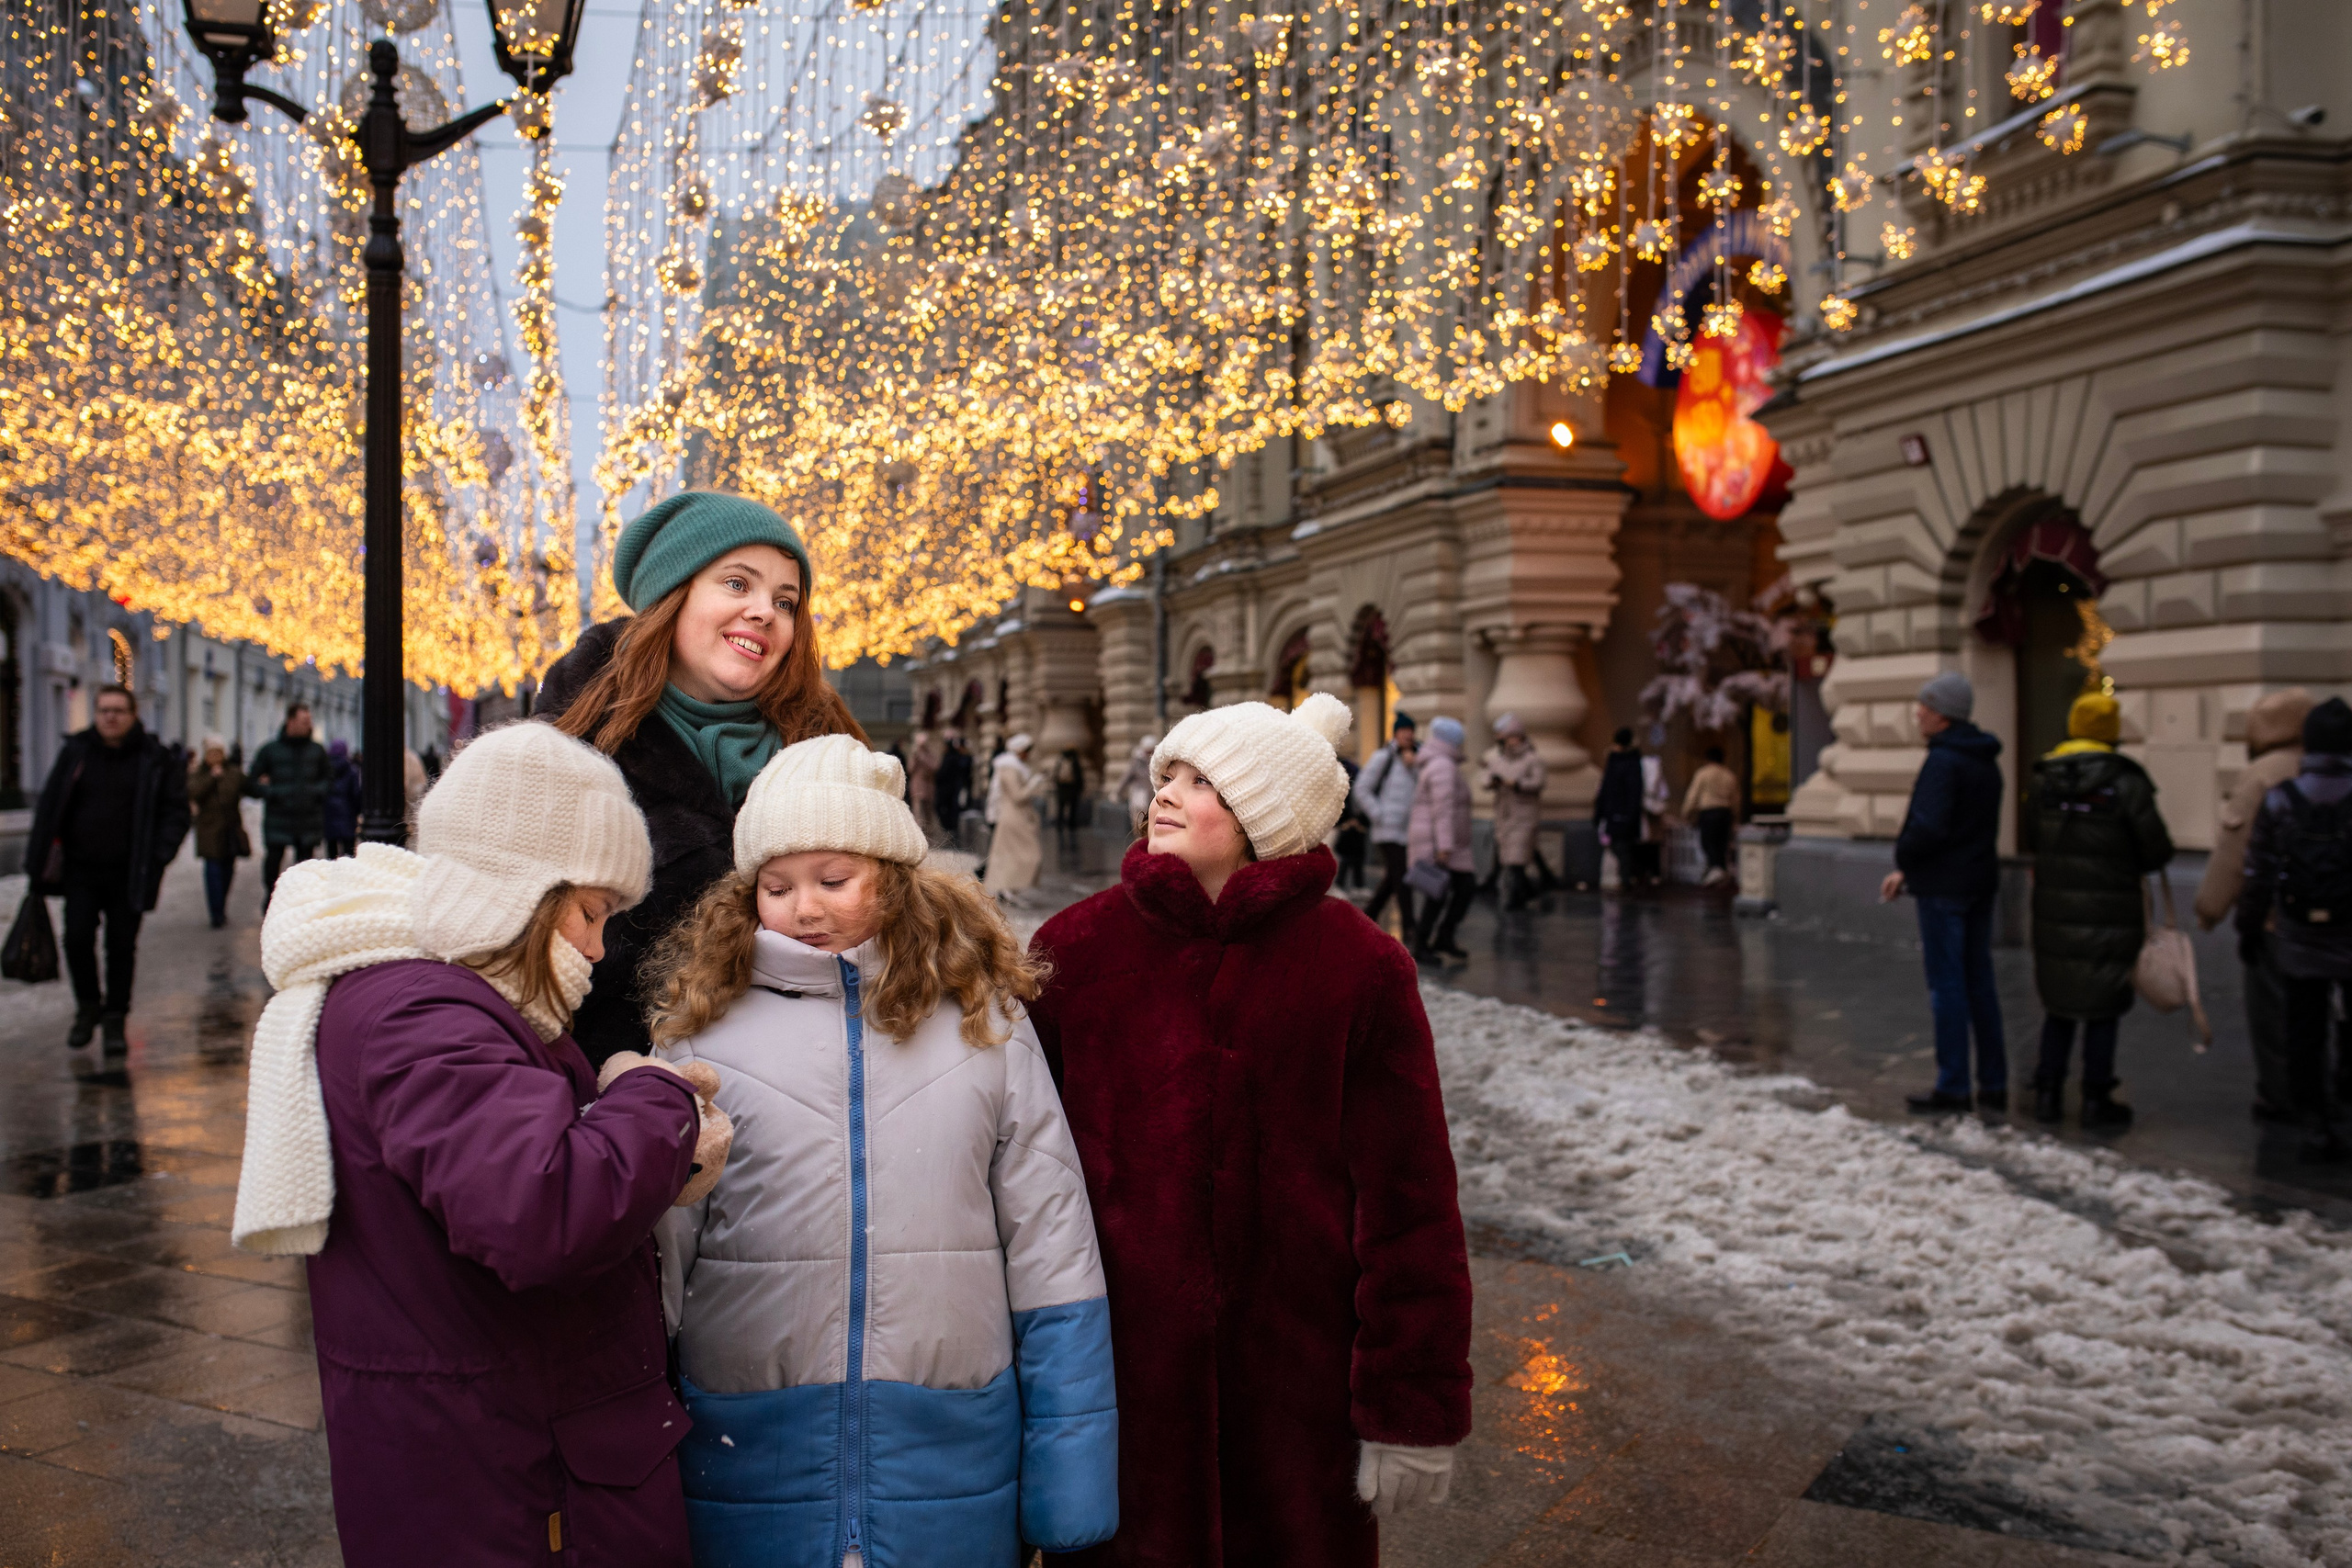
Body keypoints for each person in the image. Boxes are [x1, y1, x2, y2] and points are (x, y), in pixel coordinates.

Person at [228, 721, 734, 1568]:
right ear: (523, 887)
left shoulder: (442, 994)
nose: (597, 946)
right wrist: (655, 1097)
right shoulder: (425, 1011)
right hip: (521, 1484)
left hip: (503, 1456)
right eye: (590, 912)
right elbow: (543, 1209)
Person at [644, 737, 1118, 1564]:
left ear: (893, 879)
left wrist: (1070, 1479)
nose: (805, 907)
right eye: (776, 886)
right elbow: (659, 1260)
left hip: (951, 1451)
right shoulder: (700, 1036)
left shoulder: (983, 1024)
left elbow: (1054, 1250)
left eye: (834, 880)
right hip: (749, 1452)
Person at [1028, 693, 1473, 1565]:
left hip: (1299, 1391)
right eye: (1168, 774)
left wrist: (1410, 1401)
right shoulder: (1074, 950)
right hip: (1118, 1384)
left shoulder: (1359, 966)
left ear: (1262, 819)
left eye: (1202, 782)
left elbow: (1410, 1200)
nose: (1165, 792)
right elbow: (1018, 1176)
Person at [536, 490, 864, 1067]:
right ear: (673, 594)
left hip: (805, 1075)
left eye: (785, 602)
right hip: (609, 1076)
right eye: (737, 584)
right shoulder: (570, 736)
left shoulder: (828, 748)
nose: (765, 612)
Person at [2022, 692, 2174, 1129]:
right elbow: (2155, 850)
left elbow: (2033, 838)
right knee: (2103, 1005)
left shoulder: (2045, 779)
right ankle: (2095, 1097)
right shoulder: (2126, 782)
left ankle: (2048, 1092)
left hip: (2054, 909)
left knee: (2059, 1002)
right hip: (2112, 912)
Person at [25, 683, 190, 1052]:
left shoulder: (153, 758)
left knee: (121, 946)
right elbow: (51, 806)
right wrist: (37, 862)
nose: (110, 717)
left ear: (133, 715)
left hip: (129, 873)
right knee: (77, 938)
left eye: (118, 711)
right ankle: (87, 1006)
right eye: (103, 711)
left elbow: (175, 811)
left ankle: (115, 1017)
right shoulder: (77, 752)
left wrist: (158, 854)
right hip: (80, 870)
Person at [1880, 672, 2007, 1113]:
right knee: (1979, 983)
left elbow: (1929, 827)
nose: (1918, 712)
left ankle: (1953, 1084)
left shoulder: (1943, 762)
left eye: (1926, 705)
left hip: (1944, 888)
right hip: (1978, 882)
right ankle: (1994, 1081)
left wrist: (1905, 857)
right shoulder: (1985, 761)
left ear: (1943, 715)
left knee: (1947, 985)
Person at [2238, 696, 2352, 1163]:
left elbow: (2258, 870)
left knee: (2304, 1029)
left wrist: (2249, 926)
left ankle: (2315, 1123)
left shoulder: (2282, 797)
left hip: (2300, 935)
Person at [2195, 688, 2314, 1122]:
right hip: (2334, 917)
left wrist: (2210, 908)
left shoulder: (2263, 773)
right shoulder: (2330, 767)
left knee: (2273, 1011)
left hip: (2276, 917)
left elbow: (2235, 848)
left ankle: (2282, 1096)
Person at [246, 701, 330, 909]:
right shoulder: (270, 751)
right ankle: (271, 900)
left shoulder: (317, 751)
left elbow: (329, 780)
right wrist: (273, 793)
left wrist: (315, 793)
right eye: (304, 721)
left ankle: (301, 904)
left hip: (307, 819)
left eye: (309, 721)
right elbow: (251, 783)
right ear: (290, 722)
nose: (309, 725)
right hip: (278, 819)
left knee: (305, 866)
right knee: (273, 861)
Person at [1408, 716, 1476, 960]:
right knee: (1448, 890)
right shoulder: (1443, 766)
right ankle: (1425, 944)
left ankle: (1438, 939)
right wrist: (1445, 846)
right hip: (1440, 841)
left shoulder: (1440, 763)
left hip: (1443, 840)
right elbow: (1443, 809)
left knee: (1445, 891)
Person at [1355, 713, 1419, 931]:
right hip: (1387, 829)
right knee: (1402, 876)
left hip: (1408, 830)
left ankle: (1367, 916)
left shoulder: (1417, 758)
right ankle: (1410, 927)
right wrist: (1379, 814)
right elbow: (1361, 788)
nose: (1408, 735)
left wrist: (1414, 765)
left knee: (1393, 877)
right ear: (1396, 733)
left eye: (1411, 731)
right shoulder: (1383, 757)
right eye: (1404, 731)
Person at [1480, 713, 1547, 910]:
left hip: (1524, 814)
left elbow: (1538, 782)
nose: (1508, 741)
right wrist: (1493, 782)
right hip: (1504, 813)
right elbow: (1485, 777)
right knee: (1510, 857)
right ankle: (1528, 891)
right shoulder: (1498, 758)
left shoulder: (1532, 759)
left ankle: (1517, 898)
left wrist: (1517, 784)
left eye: (1511, 736)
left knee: (1516, 859)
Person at [187, 736, 249, 929]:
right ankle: (216, 913)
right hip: (209, 830)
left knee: (228, 871)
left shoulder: (233, 773)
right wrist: (211, 778)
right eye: (211, 753)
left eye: (218, 753)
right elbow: (193, 793)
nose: (215, 757)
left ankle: (221, 905)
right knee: (213, 872)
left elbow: (249, 788)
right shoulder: (199, 774)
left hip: (230, 829)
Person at [983, 732, 1049, 904]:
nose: (1029, 754)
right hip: (1013, 818)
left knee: (1013, 856)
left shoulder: (1015, 767)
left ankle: (1010, 890)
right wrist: (1035, 782)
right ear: (1019, 750)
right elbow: (1018, 796)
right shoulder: (1009, 768)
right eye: (1027, 750)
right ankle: (1008, 890)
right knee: (1030, 855)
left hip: (1019, 817)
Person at [1592, 728, 1645, 890]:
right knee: (1621, 847)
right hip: (1619, 812)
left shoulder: (1620, 762)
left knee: (1622, 847)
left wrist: (1600, 811)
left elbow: (1610, 788)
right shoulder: (1627, 761)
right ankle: (1628, 878)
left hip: (1619, 812)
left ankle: (1627, 879)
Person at [1683, 745, 1741, 887]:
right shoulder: (1729, 775)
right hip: (1725, 813)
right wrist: (1735, 815)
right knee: (1722, 844)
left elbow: (1693, 795)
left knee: (1708, 842)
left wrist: (1686, 812)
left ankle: (1716, 870)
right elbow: (1736, 799)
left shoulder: (1703, 773)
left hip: (1708, 812)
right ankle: (1719, 871)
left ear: (1707, 759)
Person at [321, 738, 361, 859]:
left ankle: (332, 869)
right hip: (348, 817)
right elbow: (356, 794)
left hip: (329, 817)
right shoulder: (352, 771)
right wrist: (357, 811)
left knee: (331, 854)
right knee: (348, 854)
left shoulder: (324, 770)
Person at [1114, 731, 1159, 835]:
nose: (1149, 754)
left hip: (1153, 796)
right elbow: (1126, 778)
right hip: (1139, 796)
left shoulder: (1157, 761)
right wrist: (1117, 793)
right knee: (1138, 820)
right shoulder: (1137, 761)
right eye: (1148, 751)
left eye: (1151, 751)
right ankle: (1139, 837)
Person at [936, 731, 975, 843]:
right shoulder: (957, 757)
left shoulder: (961, 758)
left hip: (957, 789)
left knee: (956, 810)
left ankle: (954, 832)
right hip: (954, 789)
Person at [908, 726, 944, 836]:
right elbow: (910, 769)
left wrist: (924, 759)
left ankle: (929, 832)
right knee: (918, 811)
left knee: (928, 812)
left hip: (928, 786)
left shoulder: (930, 754)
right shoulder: (915, 754)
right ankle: (918, 832)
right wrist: (915, 758)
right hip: (917, 787)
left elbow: (935, 767)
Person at [1053, 745, 1087, 844]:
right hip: (1068, 788)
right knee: (1066, 807)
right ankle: (1065, 824)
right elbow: (1079, 776)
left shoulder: (1065, 761)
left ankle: (1065, 824)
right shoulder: (1070, 761)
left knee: (1066, 807)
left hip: (1066, 788)